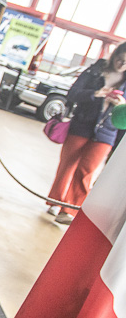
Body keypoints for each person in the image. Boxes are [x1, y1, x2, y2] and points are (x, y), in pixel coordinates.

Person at [47, 42, 126, 224]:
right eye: (120, 60)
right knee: (67, 165)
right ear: (115, 55)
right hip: (81, 125)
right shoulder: (96, 70)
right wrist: (96, 94)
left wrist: (121, 104)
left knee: (87, 171)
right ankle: (56, 202)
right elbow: (73, 93)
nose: (122, 65)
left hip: (107, 132)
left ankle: (69, 210)